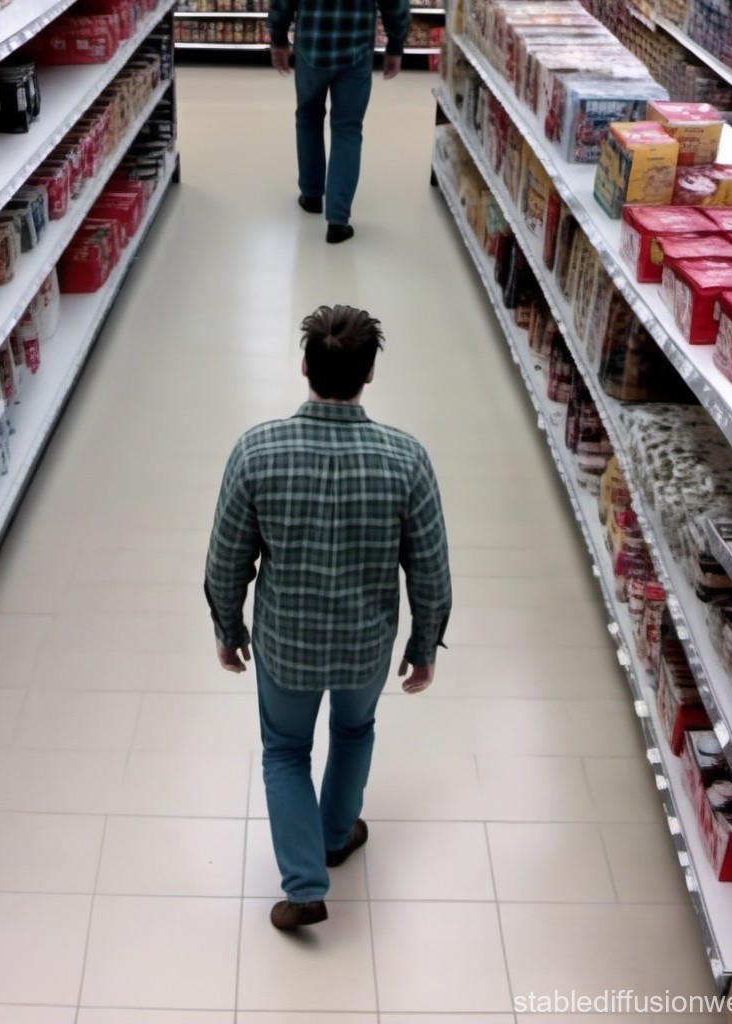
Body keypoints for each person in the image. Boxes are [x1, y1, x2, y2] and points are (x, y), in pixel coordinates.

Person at [204, 304, 451, 930]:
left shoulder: (257, 451)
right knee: (354, 731)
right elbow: (430, 568)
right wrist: (424, 646)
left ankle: (305, 887)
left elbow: (226, 559)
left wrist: (229, 630)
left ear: (305, 366)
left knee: (286, 751)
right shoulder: (407, 459)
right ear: (370, 373)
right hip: (366, 647)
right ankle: (336, 836)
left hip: (286, 644)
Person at [267, 0, 410, 244]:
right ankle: (337, 220)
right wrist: (395, 45)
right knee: (348, 129)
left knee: (308, 118)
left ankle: (311, 195)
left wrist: (278, 39)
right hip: (355, 51)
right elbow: (395, 5)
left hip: (311, 47)